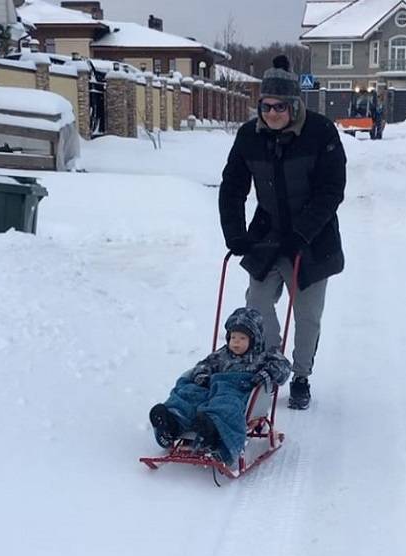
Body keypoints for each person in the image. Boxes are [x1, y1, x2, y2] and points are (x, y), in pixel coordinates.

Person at [218, 55, 347, 410]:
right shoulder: (249, 136)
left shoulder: (320, 133)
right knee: (256, 305)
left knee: (306, 315)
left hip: (313, 239)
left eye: (279, 107)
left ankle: (302, 376)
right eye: (265, 106)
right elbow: (232, 187)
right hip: (268, 234)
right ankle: (270, 362)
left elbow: (331, 189)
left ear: (294, 105)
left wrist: (303, 232)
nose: (271, 113)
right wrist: (235, 233)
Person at [149, 307, 291, 464]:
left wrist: (269, 373)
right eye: (233, 337)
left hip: (239, 391)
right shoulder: (221, 354)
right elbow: (205, 364)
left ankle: (213, 429)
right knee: (189, 393)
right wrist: (201, 375)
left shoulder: (264, 355)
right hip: (212, 389)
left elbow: (283, 366)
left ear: (254, 339)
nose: (236, 342)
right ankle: (171, 422)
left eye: (242, 338)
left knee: (225, 404)